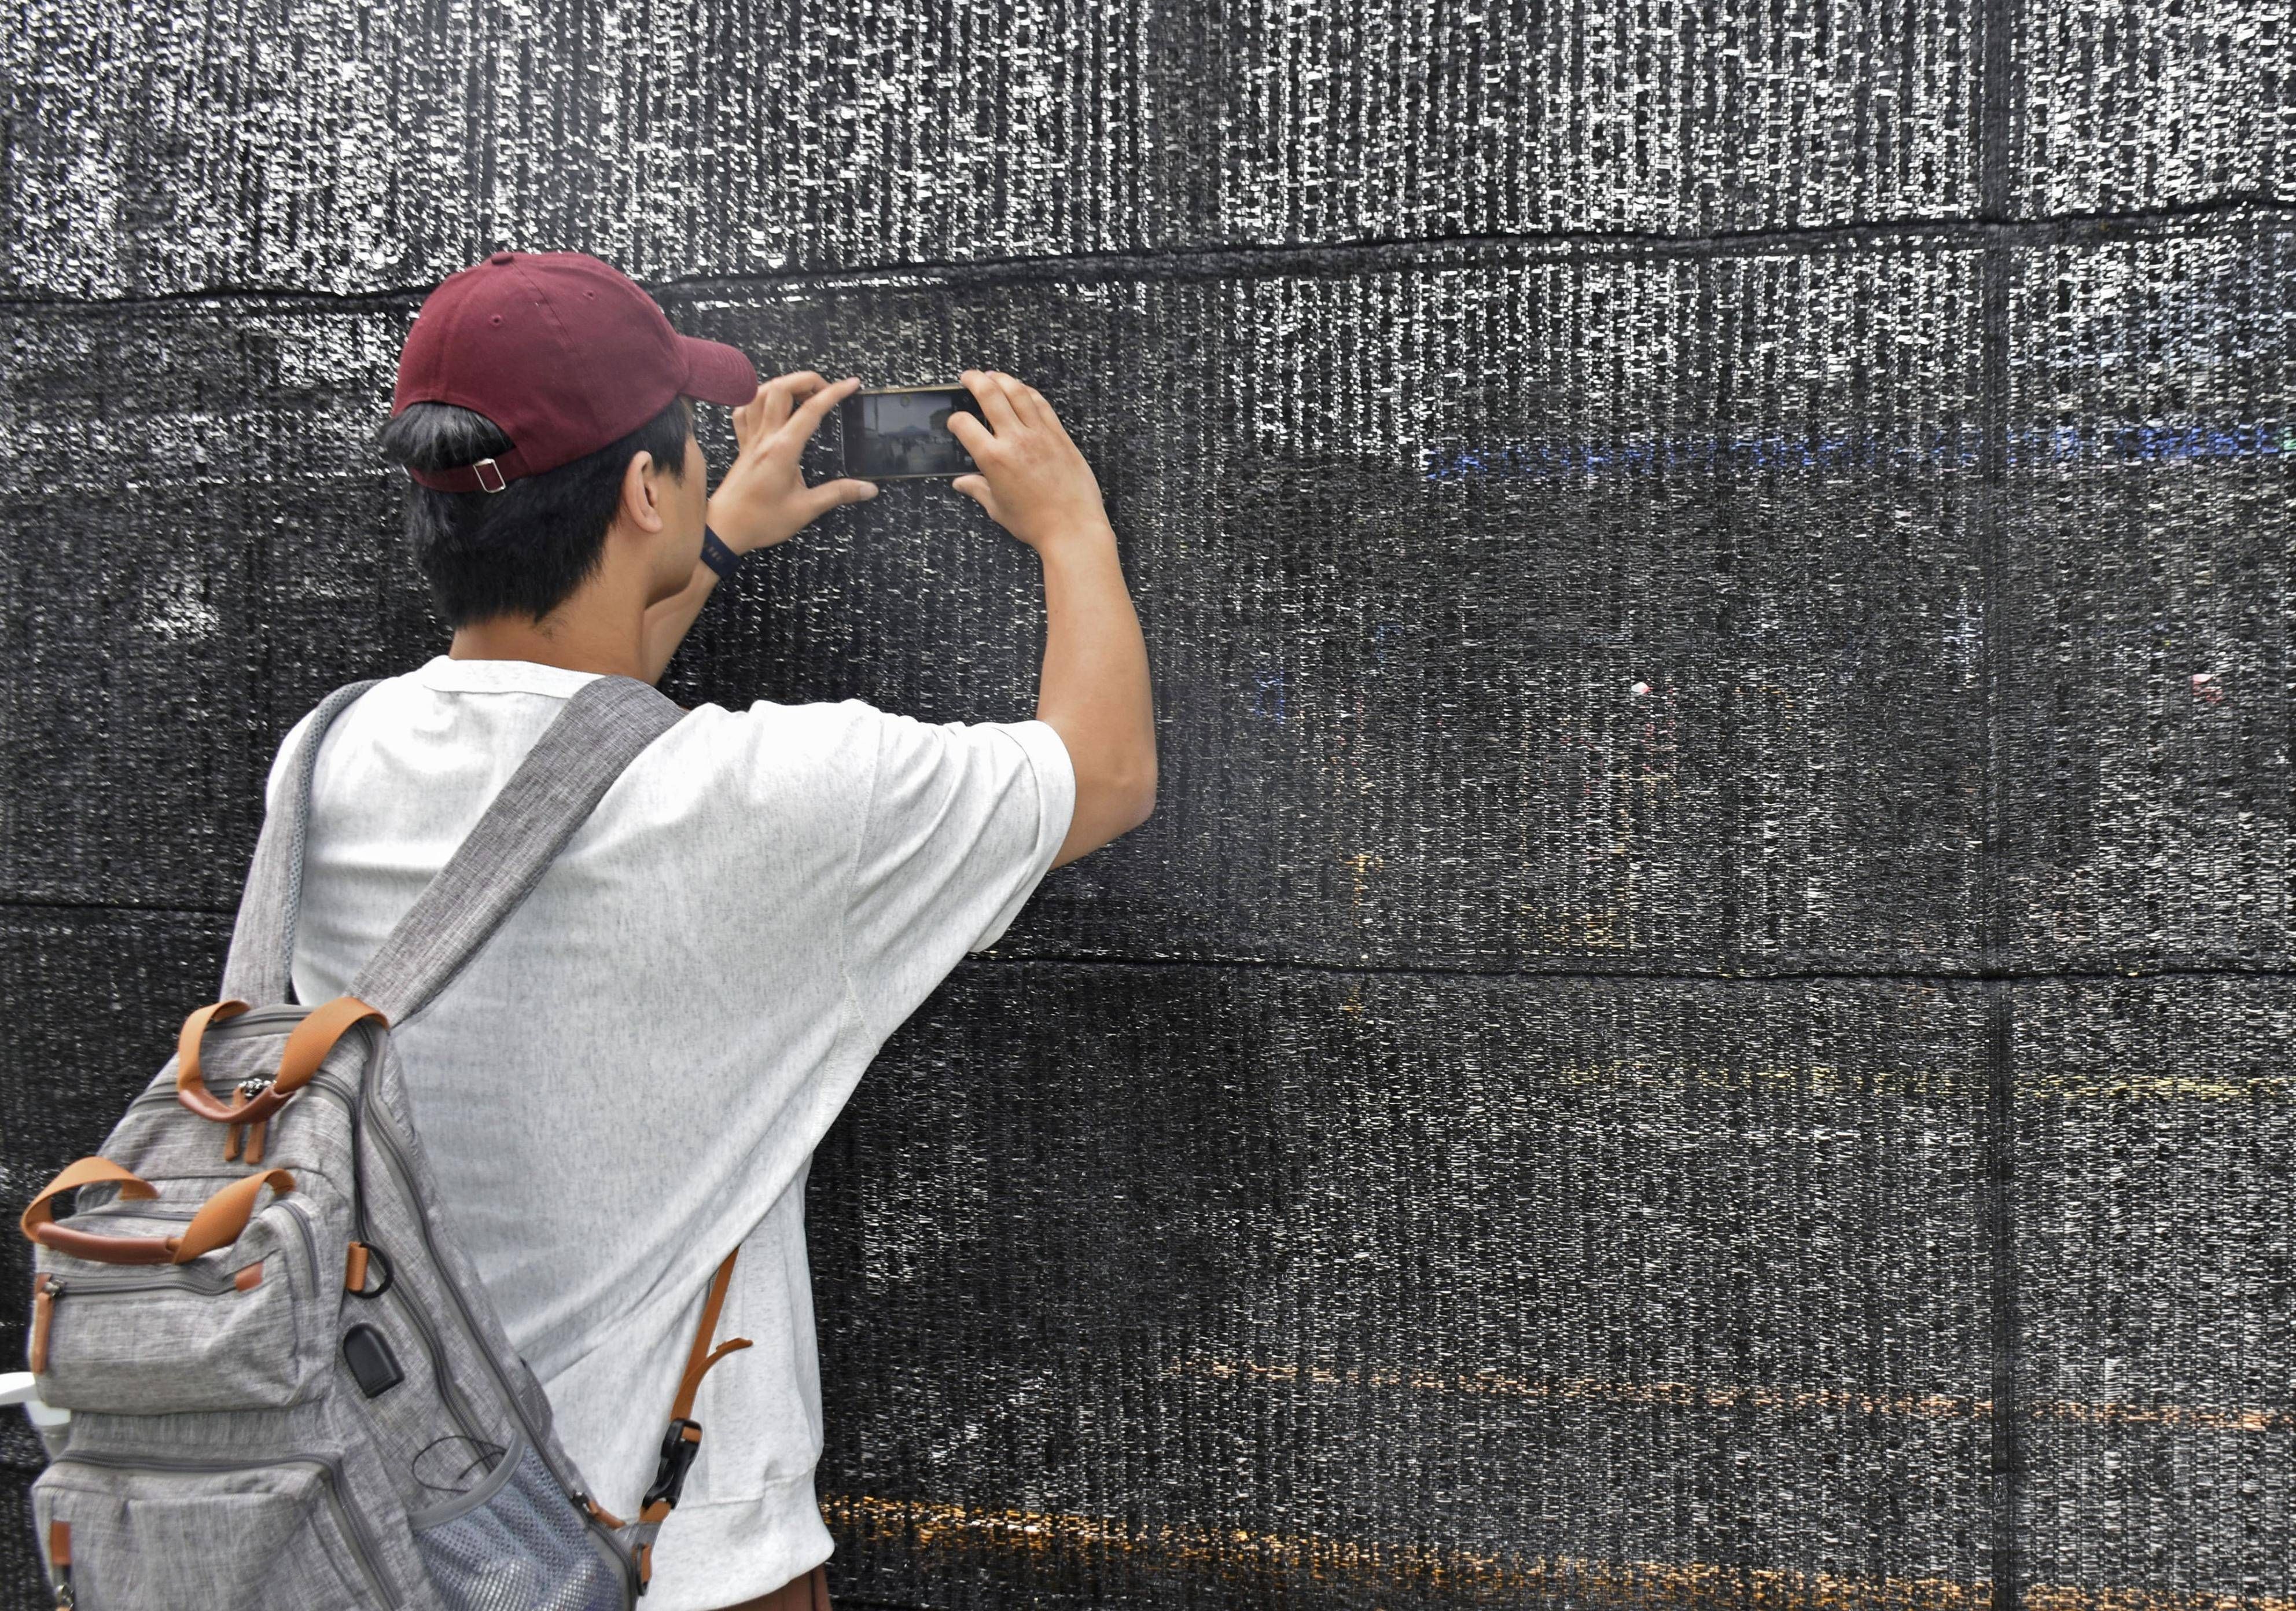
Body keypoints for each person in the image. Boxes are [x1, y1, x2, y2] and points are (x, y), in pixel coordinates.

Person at [275, 249, 1156, 1611]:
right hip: (659, 1556)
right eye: (682, 450)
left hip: (380, 1530)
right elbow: (1099, 775)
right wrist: (1074, 529)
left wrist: (714, 534)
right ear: (640, 491)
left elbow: (563, 739)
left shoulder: (326, 759)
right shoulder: (762, 798)